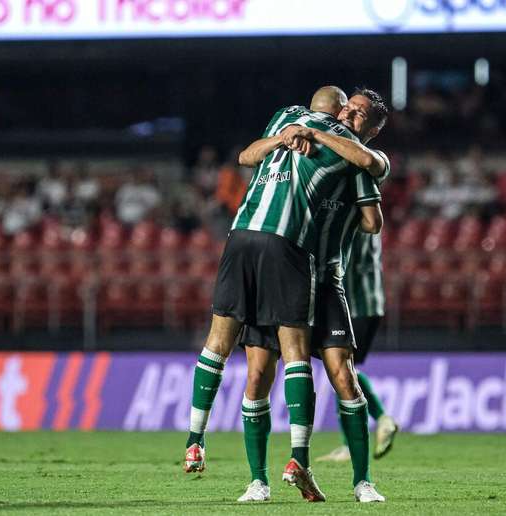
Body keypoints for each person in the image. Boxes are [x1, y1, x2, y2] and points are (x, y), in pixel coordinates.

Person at [183, 86, 384, 502]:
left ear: (372, 128)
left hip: (324, 277)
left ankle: (362, 481)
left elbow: (372, 220)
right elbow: (247, 157)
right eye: (350, 106)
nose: (351, 114)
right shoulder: (290, 127)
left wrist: (333, 201)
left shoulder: (358, 162)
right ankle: (258, 480)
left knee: (343, 376)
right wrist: (295, 135)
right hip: (284, 259)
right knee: (257, 373)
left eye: (361, 115)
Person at [316, 230, 399, 463]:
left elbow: (339, 260)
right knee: (342, 371)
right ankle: (351, 441)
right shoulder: (370, 213)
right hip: (371, 302)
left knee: (340, 370)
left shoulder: (352, 217)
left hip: (355, 307)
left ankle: (381, 420)